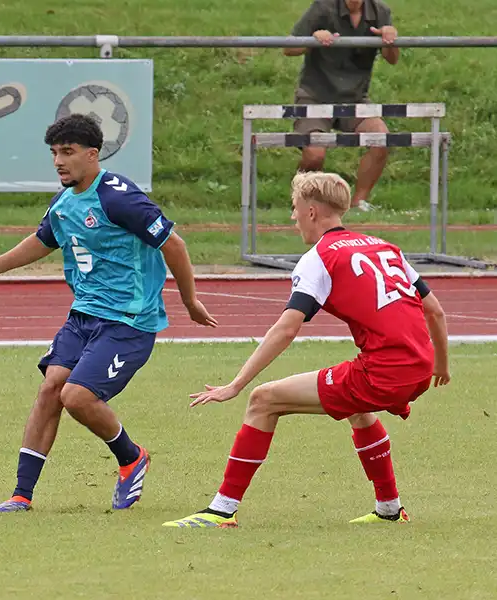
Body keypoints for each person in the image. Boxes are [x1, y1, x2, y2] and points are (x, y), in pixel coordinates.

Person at [0, 114, 219, 512]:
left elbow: (173, 244)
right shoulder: (65, 200)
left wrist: (189, 300)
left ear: (92, 155)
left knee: (76, 396)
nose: (59, 160)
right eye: (55, 153)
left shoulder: (118, 196)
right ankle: (21, 495)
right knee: (50, 388)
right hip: (84, 316)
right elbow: (44, 240)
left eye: (68, 152)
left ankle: (132, 458)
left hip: (128, 321)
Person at [163, 171, 450, 529]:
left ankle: (221, 511)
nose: (292, 216)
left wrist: (235, 385)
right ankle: (390, 509)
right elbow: (434, 309)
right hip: (420, 366)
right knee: (357, 409)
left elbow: (287, 329)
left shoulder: (320, 258)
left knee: (262, 400)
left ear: (312, 211)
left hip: (384, 371)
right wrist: (441, 364)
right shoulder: (384, 247)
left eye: (294, 207)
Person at [284, 0, 399, 211]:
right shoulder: (322, 7)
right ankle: (300, 202)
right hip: (315, 95)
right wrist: (313, 39)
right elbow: (289, 48)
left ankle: (358, 203)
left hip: (355, 98)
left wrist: (390, 40)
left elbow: (392, 59)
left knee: (381, 138)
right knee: (314, 154)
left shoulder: (380, 11)